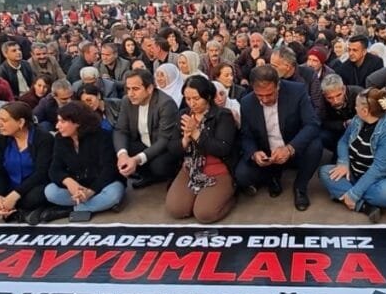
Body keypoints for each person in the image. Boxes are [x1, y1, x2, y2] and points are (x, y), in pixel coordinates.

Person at [319, 88, 386, 223]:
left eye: (356, 105)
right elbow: (343, 141)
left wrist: (354, 194)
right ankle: (364, 206)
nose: (354, 107)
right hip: (357, 172)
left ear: (365, 111)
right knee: (325, 172)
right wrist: (343, 162)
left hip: (385, 178)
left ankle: (349, 195)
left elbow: (379, 169)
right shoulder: (357, 120)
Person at [236, 65, 321, 211]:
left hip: (293, 146)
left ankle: (300, 187)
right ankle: (271, 178)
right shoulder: (246, 102)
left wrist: (290, 148)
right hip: (267, 152)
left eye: (269, 94)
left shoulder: (297, 91)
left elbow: (312, 125)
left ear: (278, 86)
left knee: (315, 146)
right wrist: (254, 153)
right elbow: (246, 135)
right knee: (242, 176)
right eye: (259, 95)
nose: (264, 100)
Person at [0, 102, 55, 224]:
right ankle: (13, 211)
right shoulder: (1, 141)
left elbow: (41, 173)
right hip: (10, 186)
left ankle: (7, 210)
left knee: (38, 195)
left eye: (4, 120)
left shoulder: (43, 138)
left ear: (21, 122)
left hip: (33, 186)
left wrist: (15, 195)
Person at [165, 76, 238, 223]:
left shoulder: (223, 115)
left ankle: (231, 195)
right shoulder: (183, 115)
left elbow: (222, 149)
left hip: (218, 170)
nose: (192, 103)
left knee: (205, 214)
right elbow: (172, 148)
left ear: (208, 96)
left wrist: (197, 134)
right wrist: (185, 140)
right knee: (176, 210)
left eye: (196, 98)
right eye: (188, 99)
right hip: (191, 168)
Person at [46, 101, 125, 221]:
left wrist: (91, 192)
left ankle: (70, 210)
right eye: (58, 121)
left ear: (77, 122)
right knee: (50, 192)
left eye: (62, 121)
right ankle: (95, 206)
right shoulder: (60, 139)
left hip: (103, 185)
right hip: (78, 187)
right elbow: (54, 169)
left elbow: (109, 170)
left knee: (113, 195)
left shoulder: (102, 136)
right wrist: (69, 182)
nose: (57, 126)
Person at [114, 69, 180, 189]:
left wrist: (136, 159)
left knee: (159, 167)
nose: (130, 94)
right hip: (143, 142)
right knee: (118, 147)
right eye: (128, 89)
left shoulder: (165, 104)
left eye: (135, 89)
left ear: (149, 89)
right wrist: (123, 155)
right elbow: (120, 130)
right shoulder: (126, 101)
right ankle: (145, 174)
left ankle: (169, 176)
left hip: (164, 148)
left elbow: (164, 140)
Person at [319, 74, 362, 154]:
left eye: (338, 95)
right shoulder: (321, 101)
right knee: (322, 136)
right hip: (337, 130)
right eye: (330, 98)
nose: (335, 101)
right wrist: (343, 124)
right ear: (324, 95)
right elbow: (323, 121)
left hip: (359, 129)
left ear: (344, 89)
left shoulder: (359, 94)